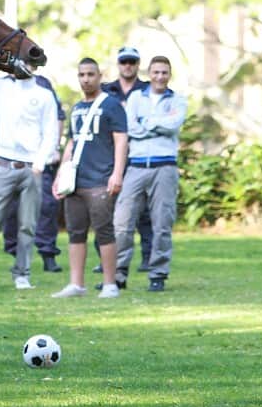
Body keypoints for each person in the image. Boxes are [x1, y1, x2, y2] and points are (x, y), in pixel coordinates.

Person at [0, 64, 60, 290]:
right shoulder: (1, 86)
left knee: (28, 225)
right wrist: (5, 62)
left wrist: (40, 161)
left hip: (32, 167)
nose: (24, 66)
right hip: (3, 165)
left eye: (28, 61)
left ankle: (22, 273)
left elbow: (51, 131)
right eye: (20, 60)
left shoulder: (43, 94)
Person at [52, 58, 127, 299]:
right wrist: (60, 174)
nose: (86, 79)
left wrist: (117, 173)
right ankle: (76, 284)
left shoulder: (111, 105)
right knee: (75, 232)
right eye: (82, 74)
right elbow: (72, 143)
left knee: (104, 231)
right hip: (76, 181)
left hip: (100, 179)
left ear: (100, 76)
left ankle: (109, 284)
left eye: (91, 74)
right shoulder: (77, 108)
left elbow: (121, 140)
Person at [113, 56, 188, 293]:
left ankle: (158, 274)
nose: (160, 77)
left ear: (170, 74)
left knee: (162, 223)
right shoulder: (136, 97)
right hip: (136, 166)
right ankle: (118, 273)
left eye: (164, 72)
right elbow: (130, 127)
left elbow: (173, 125)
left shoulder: (178, 100)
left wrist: (147, 122)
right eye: (156, 72)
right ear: (149, 73)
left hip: (165, 167)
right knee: (123, 221)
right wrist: (157, 124)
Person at [99, 45, 152, 274]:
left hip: (139, 155)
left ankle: (147, 258)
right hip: (110, 156)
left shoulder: (148, 90)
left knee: (144, 213)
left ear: (138, 64)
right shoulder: (106, 90)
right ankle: (106, 261)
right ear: (118, 64)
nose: (128, 66)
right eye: (124, 62)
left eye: (132, 62)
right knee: (104, 211)